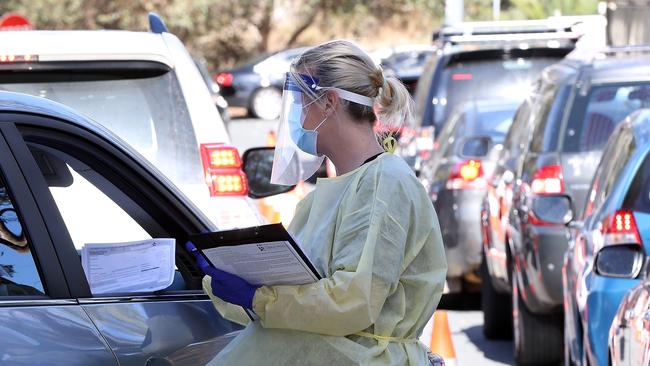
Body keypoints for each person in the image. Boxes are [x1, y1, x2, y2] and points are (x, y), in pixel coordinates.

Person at [186, 39, 447, 365]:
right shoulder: (335, 191)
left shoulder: (384, 183)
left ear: (329, 103)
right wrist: (232, 276)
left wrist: (258, 298)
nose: (295, 117)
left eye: (301, 102)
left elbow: (353, 301)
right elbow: (301, 290)